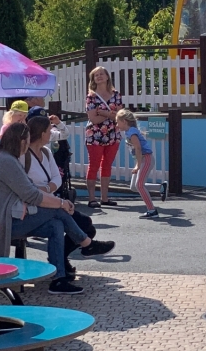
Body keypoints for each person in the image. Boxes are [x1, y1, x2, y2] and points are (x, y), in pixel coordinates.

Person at [0, 122, 114, 295]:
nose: (27, 145)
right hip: (2, 224)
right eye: (26, 141)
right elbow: (32, 196)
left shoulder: (5, 158)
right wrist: (61, 203)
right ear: (21, 142)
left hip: (7, 218)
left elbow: (32, 192)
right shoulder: (6, 162)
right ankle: (86, 243)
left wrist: (60, 202)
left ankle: (59, 279)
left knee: (56, 225)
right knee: (57, 211)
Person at [23, 112, 97, 276]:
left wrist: (47, 188)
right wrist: (47, 191)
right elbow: (27, 188)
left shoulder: (47, 152)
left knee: (86, 225)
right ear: (42, 134)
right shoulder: (23, 156)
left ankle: (63, 258)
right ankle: (82, 248)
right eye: (49, 130)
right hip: (36, 204)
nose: (51, 133)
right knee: (83, 224)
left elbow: (57, 178)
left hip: (50, 198)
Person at [85, 67, 124, 209]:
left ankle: (105, 198)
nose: (99, 77)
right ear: (93, 79)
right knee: (94, 165)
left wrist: (102, 112)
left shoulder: (116, 94)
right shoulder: (91, 97)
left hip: (113, 134)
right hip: (95, 135)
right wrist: (110, 114)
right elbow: (93, 119)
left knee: (107, 165)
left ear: (107, 77)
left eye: (102, 74)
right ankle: (91, 198)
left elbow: (120, 116)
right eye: (96, 75)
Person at [116, 109, 159, 219]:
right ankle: (160, 187)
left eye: (118, 122)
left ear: (124, 121)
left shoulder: (132, 133)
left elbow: (138, 148)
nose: (117, 124)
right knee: (134, 187)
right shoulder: (128, 131)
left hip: (146, 159)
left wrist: (138, 165)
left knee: (139, 185)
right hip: (141, 160)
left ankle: (152, 210)